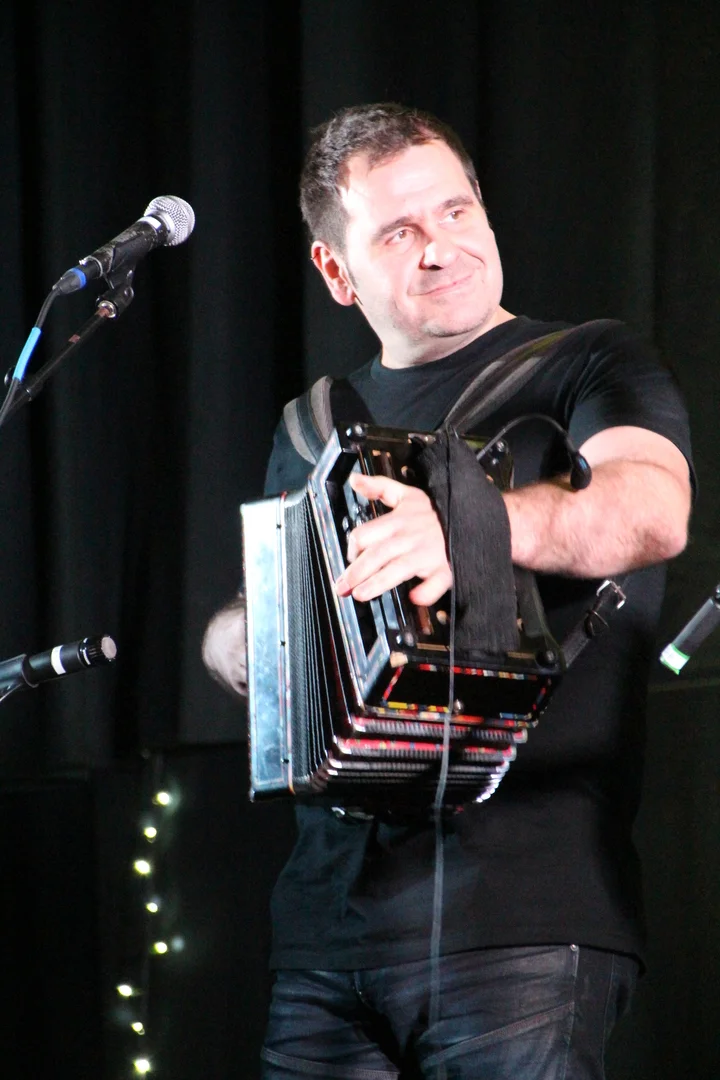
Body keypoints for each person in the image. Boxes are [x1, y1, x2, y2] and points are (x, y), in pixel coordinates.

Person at [203, 103, 693, 1079]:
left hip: (522, 922)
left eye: (457, 211)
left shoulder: (590, 362)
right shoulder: (311, 426)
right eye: (399, 232)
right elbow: (259, 608)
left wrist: (466, 528)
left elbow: (650, 510)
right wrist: (237, 644)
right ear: (336, 272)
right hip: (325, 938)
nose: (441, 248)